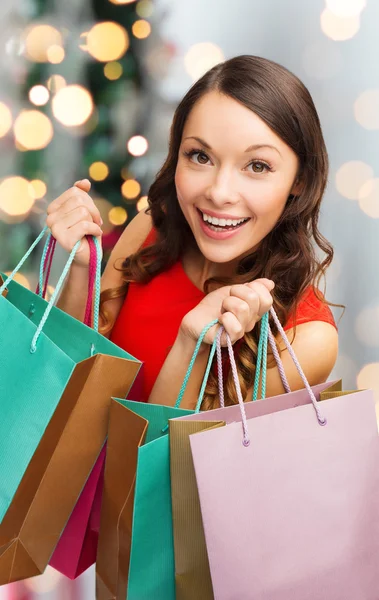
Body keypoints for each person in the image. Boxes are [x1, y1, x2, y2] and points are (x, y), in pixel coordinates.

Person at [46, 55, 338, 410]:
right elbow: (63, 385)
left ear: (300, 180)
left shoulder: (305, 338)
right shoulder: (150, 229)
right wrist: (81, 268)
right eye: (200, 156)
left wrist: (192, 346)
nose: (218, 192)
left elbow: (169, 463)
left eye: (257, 166)